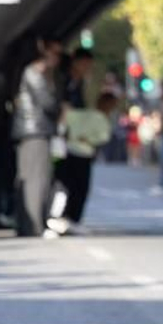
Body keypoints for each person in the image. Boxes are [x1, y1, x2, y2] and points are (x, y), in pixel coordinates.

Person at [48, 49, 109, 235]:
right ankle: (58, 215)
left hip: (81, 140)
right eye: (84, 64)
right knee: (64, 180)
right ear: (75, 62)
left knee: (80, 182)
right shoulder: (63, 81)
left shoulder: (82, 83)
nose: (86, 68)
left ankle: (72, 218)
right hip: (63, 138)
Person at [13, 35, 63, 239]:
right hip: (34, 129)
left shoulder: (35, 73)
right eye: (55, 53)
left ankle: (28, 223)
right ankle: (33, 225)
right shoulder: (34, 73)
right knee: (36, 178)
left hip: (33, 129)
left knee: (32, 176)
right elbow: (48, 102)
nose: (57, 58)